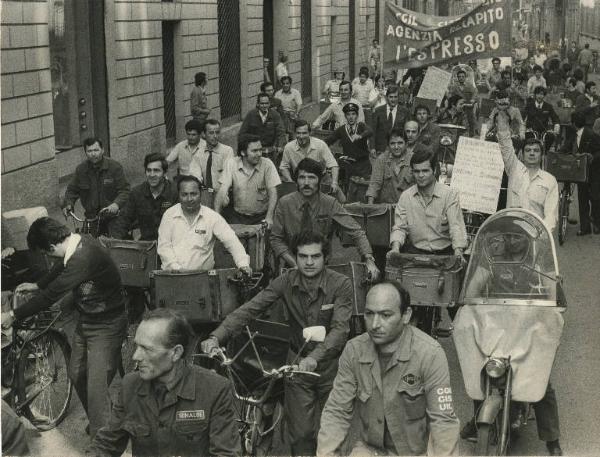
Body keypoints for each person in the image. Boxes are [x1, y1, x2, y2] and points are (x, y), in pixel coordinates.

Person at [201, 231, 354, 456]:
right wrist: (217, 336)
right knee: (301, 434)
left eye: (315, 256)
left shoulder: (341, 284)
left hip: (333, 367)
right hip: (297, 366)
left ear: (326, 258)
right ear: (295, 257)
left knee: (335, 432)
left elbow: (340, 330)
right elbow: (251, 309)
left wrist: (315, 357)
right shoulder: (285, 281)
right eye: (303, 256)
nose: (309, 262)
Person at [1, 217, 127, 437]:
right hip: (88, 319)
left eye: (46, 253)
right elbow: (62, 264)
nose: (48, 258)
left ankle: (103, 437)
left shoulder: (83, 257)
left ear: (50, 247)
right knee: (77, 374)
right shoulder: (78, 241)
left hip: (108, 324)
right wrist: (38, 284)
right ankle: (102, 425)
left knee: (96, 390)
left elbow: (51, 296)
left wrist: (13, 314)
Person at [317, 281, 460, 456]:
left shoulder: (430, 354)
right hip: (369, 451)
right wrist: (327, 453)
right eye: (369, 314)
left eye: (385, 315)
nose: (375, 324)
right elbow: (337, 411)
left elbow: (443, 422)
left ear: (406, 315)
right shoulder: (354, 350)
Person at [88, 309, 240, 457]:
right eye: (136, 346)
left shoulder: (215, 390)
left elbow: (226, 453)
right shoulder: (130, 385)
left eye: (146, 349)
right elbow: (106, 445)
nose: (135, 356)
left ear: (175, 353)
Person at [270, 158, 380, 279]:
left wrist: (369, 259)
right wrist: (295, 264)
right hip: (292, 263)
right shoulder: (284, 203)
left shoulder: (329, 203)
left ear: (319, 181)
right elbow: (276, 239)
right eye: (302, 177)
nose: (306, 183)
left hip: (322, 265)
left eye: (312, 177)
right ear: (296, 180)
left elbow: (356, 231)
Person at [157, 175, 252, 272]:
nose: (189, 199)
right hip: (172, 277)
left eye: (193, 194)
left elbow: (232, 241)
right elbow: (164, 247)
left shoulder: (211, 217)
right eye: (184, 194)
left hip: (202, 279)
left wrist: (243, 264)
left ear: (201, 194)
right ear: (179, 195)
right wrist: (176, 268)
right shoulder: (169, 215)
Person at [390, 148, 468, 257]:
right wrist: (395, 248)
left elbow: (456, 227)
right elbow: (399, 227)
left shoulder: (449, 194)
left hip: (444, 254)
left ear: (434, 171)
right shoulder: (406, 196)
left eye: (425, 171)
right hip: (415, 253)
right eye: (417, 171)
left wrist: (458, 251)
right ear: (412, 172)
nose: (421, 175)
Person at [494, 107, 559, 233]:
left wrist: (538, 234)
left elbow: (551, 215)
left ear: (542, 155)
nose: (532, 153)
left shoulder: (550, 180)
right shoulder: (514, 169)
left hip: (536, 234)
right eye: (528, 150)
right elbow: (505, 144)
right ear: (522, 155)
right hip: (511, 232)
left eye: (536, 151)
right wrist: (502, 114)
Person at [62, 137, 130, 236]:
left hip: (113, 216)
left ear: (102, 150)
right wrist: (68, 204)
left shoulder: (115, 167)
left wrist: (116, 204)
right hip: (92, 217)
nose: (93, 154)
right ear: (85, 152)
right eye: (89, 151)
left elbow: (125, 190)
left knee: (115, 242)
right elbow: (72, 190)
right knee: (86, 244)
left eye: (96, 150)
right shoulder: (81, 170)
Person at [215, 134, 281, 227]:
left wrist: (269, 217)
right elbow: (222, 191)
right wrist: (216, 217)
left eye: (260, 150)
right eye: (254, 151)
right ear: (243, 152)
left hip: (261, 216)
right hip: (238, 216)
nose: (259, 154)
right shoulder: (231, 163)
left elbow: (273, 192)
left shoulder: (267, 164)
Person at [112, 152, 178, 241]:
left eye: (156, 170)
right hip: (145, 245)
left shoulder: (175, 192)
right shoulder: (137, 193)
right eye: (148, 170)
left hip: (170, 244)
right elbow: (123, 219)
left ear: (165, 173)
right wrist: (116, 241)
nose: (152, 175)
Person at [563, 111, 600, 236]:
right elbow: (566, 147)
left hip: (594, 172)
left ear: (573, 123)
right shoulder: (573, 134)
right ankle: (585, 228)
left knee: (595, 198)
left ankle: (597, 224)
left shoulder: (592, 135)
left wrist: (592, 157)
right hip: (580, 172)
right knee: (583, 199)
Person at [280, 120, 340, 195]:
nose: (301, 136)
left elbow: (333, 165)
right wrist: (290, 182)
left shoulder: (320, 144)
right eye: (298, 133)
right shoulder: (289, 147)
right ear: (295, 133)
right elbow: (283, 167)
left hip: (321, 179)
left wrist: (334, 182)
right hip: (301, 180)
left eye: (304, 133)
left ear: (310, 133)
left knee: (340, 199)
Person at [325, 103, 373, 187]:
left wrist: (360, 136)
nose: (351, 117)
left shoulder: (361, 126)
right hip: (348, 166)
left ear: (357, 115)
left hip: (363, 165)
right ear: (345, 116)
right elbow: (328, 141)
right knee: (349, 189)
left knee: (364, 188)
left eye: (353, 114)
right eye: (348, 114)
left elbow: (370, 131)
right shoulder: (341, 129)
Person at [366, 128, 414, 204]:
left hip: (409, 207)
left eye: (400, 143)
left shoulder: (414, 159)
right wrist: (370, 207)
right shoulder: (381, 159)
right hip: (387, 208)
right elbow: (374, 184)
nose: (396, 147)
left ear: (406, 144)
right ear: (388, 145)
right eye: (392, 143)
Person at [188, 118, 235, 192]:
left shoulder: (227, 151)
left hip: (223, 193)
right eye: (211, 133)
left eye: (217, 132)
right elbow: (195, 175)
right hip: (206, 193)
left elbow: (227, 177)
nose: (215, 136)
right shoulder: (198, 153)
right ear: (203, 134)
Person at [238, 92, 287, 161]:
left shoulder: (274, 115)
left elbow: (281, 131)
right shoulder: (251, 115)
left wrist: (281, 145)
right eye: (262, 103)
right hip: (255, 149)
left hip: (271, 149)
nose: (264, 106)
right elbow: (242, 134)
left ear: (269, 104)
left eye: (266, 103)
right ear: (258, 104)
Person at [370, 85, 410, 161]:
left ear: (398, 98)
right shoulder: (378, 110)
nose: (393, 99)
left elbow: (407, 131)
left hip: (397, 149)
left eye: (395, 97)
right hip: (380, 149)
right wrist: (372, 147)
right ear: (386, 97)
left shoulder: (405, 112)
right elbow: (373, 130)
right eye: (391, 97)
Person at [524, 86, 561, 152]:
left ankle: (545, 153)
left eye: (541, 94)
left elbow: (555, 118)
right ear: (535, 95)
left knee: (550, 136)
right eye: (538, 94)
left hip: (544, 131)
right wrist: (523, 127)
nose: (539, 96)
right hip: (531, 130)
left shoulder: (548, 106)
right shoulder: (529, 105)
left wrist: (556, 126)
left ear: (544, 96)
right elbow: (522, 118)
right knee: (528, 138)